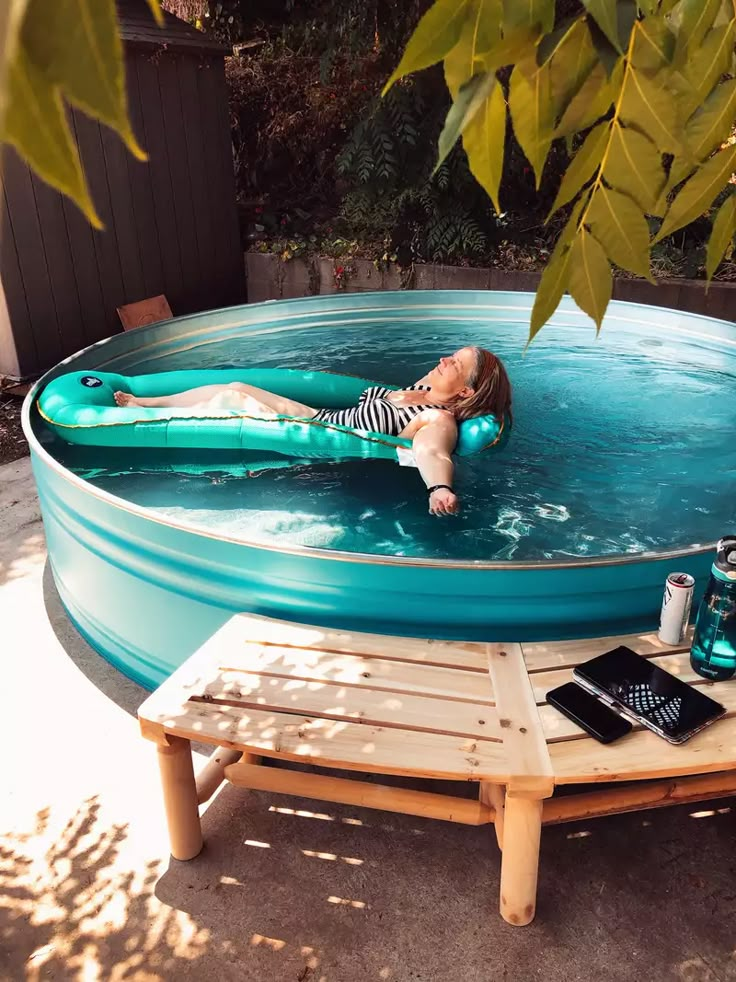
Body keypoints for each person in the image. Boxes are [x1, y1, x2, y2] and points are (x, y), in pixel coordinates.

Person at [114, 346, 512, 517]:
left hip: (313, 429)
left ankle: (142, 409)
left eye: (454, 364)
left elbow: (433, 451)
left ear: (464, 392)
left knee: (233, 394)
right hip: (317, 413)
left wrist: (439, 488)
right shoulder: (419, 391)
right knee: (236, 387)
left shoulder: (437, 418)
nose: (443, 359)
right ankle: (145, 402)